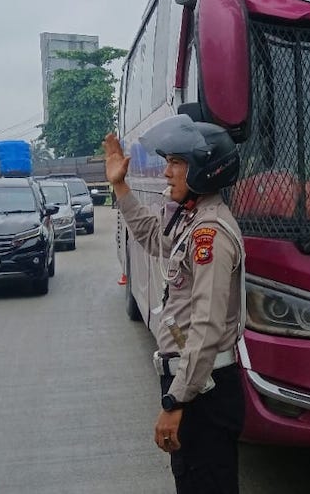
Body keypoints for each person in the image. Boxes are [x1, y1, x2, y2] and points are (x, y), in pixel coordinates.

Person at [103, 115, 245, 494]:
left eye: (176, 163)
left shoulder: (209, 235)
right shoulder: (191, 219)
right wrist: (121, 187)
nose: (166, 173)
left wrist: (176, 401)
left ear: (204, 168)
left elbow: (207, 326)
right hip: (194, 381)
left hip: (203, 388)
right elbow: (153, 238)